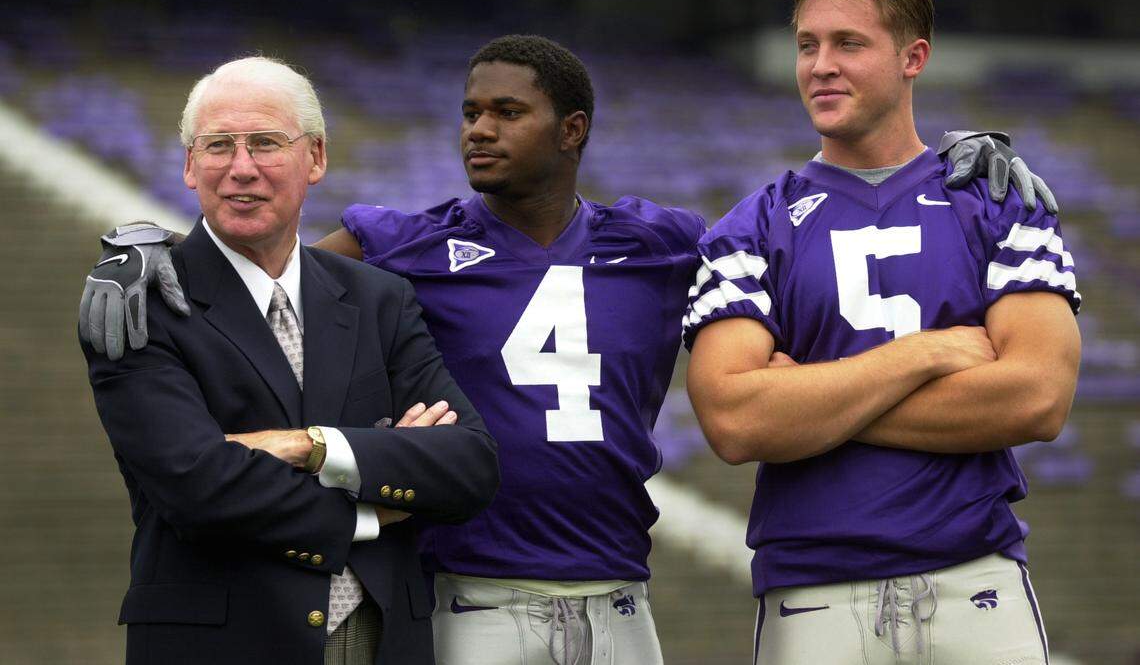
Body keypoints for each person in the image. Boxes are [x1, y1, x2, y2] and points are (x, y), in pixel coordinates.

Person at [80, 35, 1053, 665]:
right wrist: (142, 247)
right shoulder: (407, 240)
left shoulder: (665, 239)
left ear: (572, 130)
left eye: (506, 112)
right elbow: (262, 268)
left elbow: (805, 240)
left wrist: (953, 161)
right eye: (469, 112)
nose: (478, 130)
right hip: (470, 594)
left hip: (621, 595)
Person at [683, 0, 1081, 665]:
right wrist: (926, 353)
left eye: (849, 43)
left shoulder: (997, 200)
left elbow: (1038, 398)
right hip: (814, 597)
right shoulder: (750, 226)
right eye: (808, 44)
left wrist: (808, 400)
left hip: (977, 588)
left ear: (913, 56)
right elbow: (735, 421)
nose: (821, 65)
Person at [79, 56, 500, 665]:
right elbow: (198, 487)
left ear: (317, 158)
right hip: (220, 646)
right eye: (219, 145)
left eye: (267, 143)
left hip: (384, 642)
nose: (241, 168)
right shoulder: (135, 302)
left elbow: (468, 464)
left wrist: (311, 446)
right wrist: (372, 511)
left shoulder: (379, 298)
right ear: (190, 166)